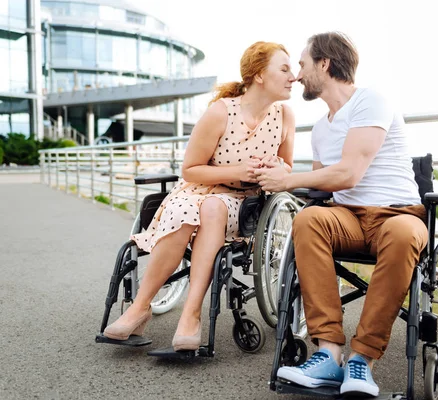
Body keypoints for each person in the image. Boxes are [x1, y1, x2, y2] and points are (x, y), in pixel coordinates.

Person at [255, 32, 428, 397]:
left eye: (302, 64)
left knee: (403, 235)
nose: (298, 74)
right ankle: (328, 353)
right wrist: (277, 172)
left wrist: (287, 180)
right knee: (308, 219)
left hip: (396, 215)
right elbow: (324, 184)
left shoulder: (370, 101)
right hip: (347, 216)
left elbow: (349, 172)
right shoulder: (320, 128)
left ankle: (362, 360)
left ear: (325, 64)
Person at [103, 41, 296, 351]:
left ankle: (191, 316)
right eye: (284, 69)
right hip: (197, 191)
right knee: (191, 209)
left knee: (214, 208)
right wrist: (236, 171)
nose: (293, 76)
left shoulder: (284, 115)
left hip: (244, 205)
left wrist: (278, 166)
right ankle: (140, 308)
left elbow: (286, 165)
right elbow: (191, 170)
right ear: (259, 75)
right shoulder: (220, 113)